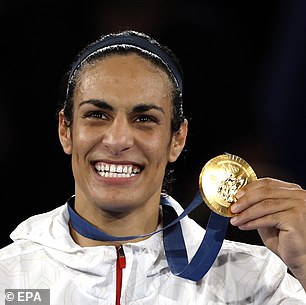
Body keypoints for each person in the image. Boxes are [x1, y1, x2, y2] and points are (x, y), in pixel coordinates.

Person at [0, 30, 305, 305]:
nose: (118, 139)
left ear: (177, 139)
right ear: (65, 130)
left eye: (144, 119)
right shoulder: (9, 278)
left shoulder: (253, 282)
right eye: (97, 114)